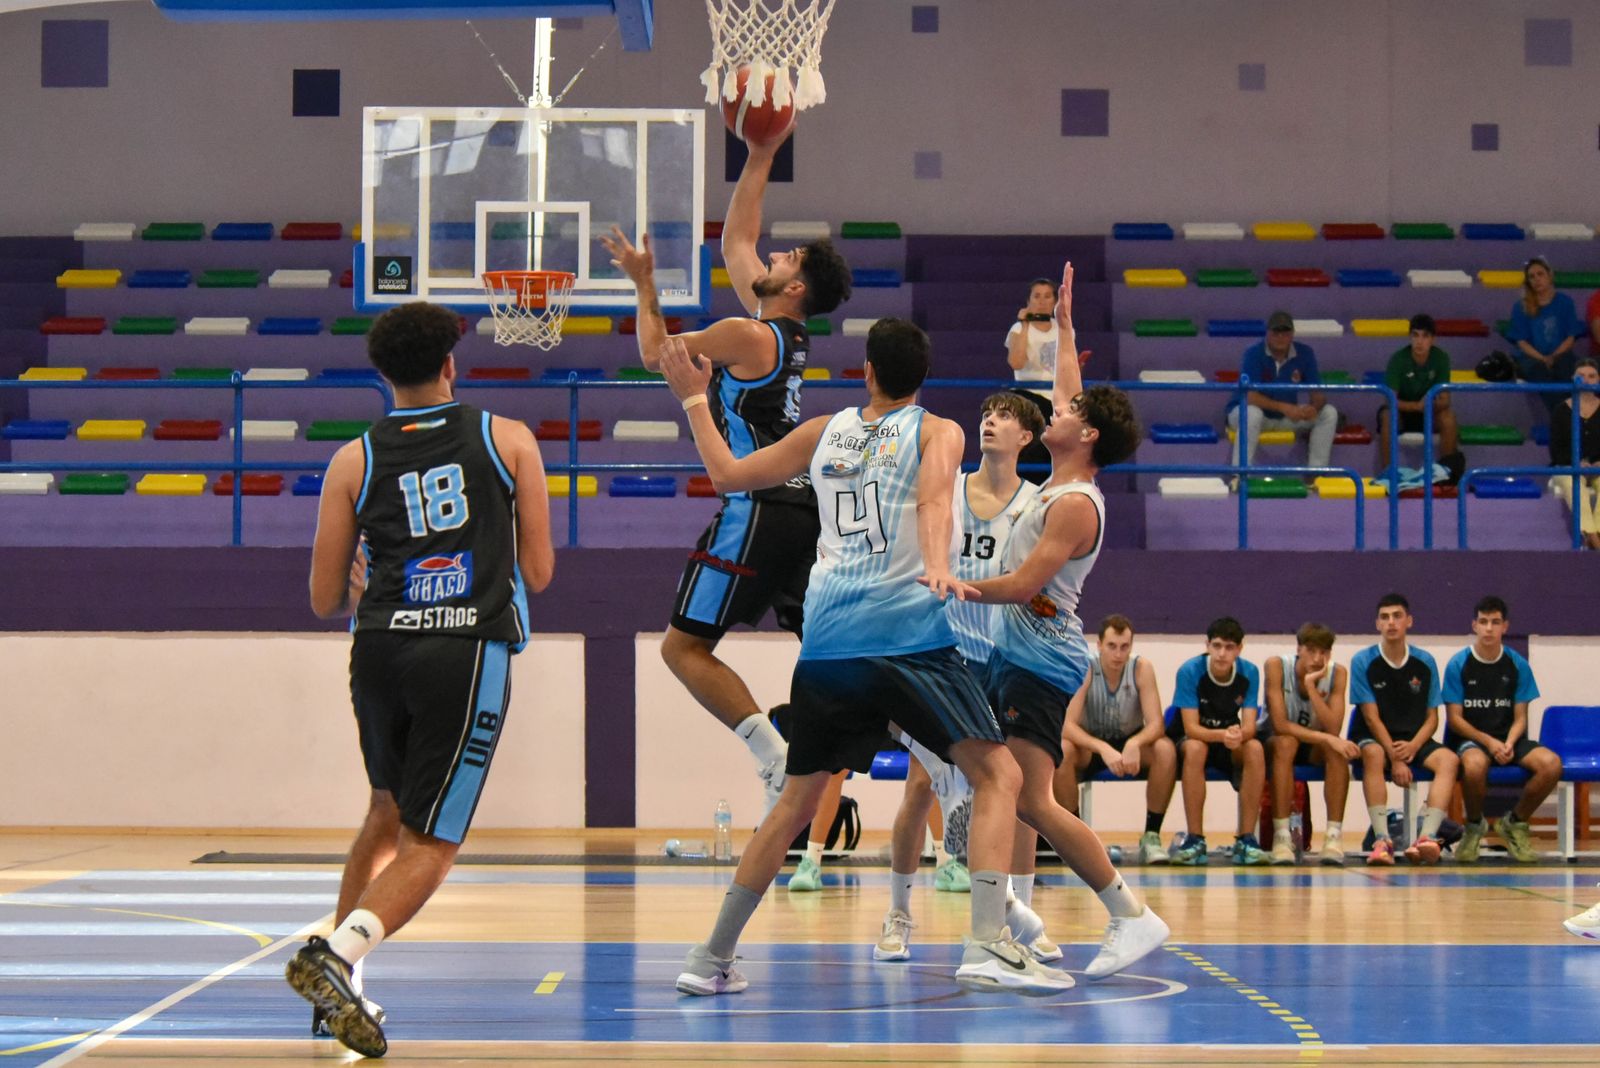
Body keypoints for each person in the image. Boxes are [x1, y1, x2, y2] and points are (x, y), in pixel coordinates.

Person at [660, 317, 1074, 997]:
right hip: (907, 638)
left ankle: (710, 958)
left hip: (827, 642)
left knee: (795, 802)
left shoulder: (824, 431)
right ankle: (987, 944)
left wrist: (692, 399)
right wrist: (936, 564)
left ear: (867, 372)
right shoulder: (939, 431)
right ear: (924, 376)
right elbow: (936, 500)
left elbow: (728, 476)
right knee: (999, 774)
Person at [285, 302, 555, 1057]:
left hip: (377, 648)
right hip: (463, 651)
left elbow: (323, 597)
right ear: (450, 365)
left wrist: (373, 575)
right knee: (432, 844)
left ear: (382, 375)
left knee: (384, 813)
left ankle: (338, 998)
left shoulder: (353, 460)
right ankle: (335, 959)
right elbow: (538, 571)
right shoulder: (508, 439)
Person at [600, 126, 852, 814]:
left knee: (683, 650)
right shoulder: (781, 331)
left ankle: (774, 758)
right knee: (832, 652)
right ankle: (926, 753)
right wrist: (762, 152)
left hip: (758, 507)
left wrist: (644, 285)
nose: (771, 253)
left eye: (788, 256)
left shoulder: (746, 335)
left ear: (793, 285)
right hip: (804, 512)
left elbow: (656, 352)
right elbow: (736, 240)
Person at [960, 260, 1170, 976]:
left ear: (1088, 438)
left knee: (1035, 801)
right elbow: (1068, 388)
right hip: (1015, 656)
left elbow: (1022, 586)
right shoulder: (1062, 477)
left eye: (1070, 415)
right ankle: (1013, 915)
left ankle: (1128, 914)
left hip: (1040, 660)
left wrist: (952, 585)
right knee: (1005, 790)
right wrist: (1066, 326)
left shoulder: (1075, 506)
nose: (1056, 412)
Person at [876, 391, 1048, 963]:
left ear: (1027, 437)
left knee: (1017, 792)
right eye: (986, 415)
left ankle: (1022, 917)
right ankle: (898, 914)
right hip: (940, 657)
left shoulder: (1036, 504)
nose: (990, 422)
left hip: (1003, 662)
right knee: (920, 784)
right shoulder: (946, 489)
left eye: (1004, 417)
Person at [1443, 596, 1562, 863]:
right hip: (1472, 739)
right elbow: (1455, 719)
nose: (1489, 628)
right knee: (1474, 765)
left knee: (1551, 764)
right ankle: (1475, 825)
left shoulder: (1517, 664)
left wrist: (1508, 742)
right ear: (1474, 625)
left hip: (1509, 738)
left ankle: (1515, 822)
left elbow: (1521, 717)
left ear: (1505, 626)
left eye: (1495, 622)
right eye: (1483, 622)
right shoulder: (1458, 664)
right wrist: (1489, 742)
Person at [1055, 614, 1177, 865]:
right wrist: (1102, 748)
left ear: (1131, 647)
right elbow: (1067, 726)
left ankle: (1151, 836)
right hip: (1091, 745)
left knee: (1165, 749)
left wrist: (1134, 743)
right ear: (1099, 645)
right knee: (1063, 750)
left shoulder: (1141, 668)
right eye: (1112, 646)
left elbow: (1157, 724)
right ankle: (1076, 839)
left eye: (1124, 647)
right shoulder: (1086, 667)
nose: (1118, 654)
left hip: (1130, 743)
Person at [1350, 593, 1458, 866]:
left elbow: (1432, 718)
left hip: (1413, 739)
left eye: (1397, 616)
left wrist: (1413, 746)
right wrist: (1396, 757)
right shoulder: (1363, 661)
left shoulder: (1425, 661)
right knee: (1373, 754)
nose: (1391, 622)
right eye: (1385, 617)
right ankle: (1382, 840)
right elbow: (1371, 718)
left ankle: (1427, 838)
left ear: (1409, 621)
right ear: (1377, 624)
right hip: (1375, 738)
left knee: (1449, 760)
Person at [1167, 618, 1270, 866]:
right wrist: (1224, 735)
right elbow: (1191, 728)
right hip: (1192, 739)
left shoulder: (1249, 672)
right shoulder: (1190, 671)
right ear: (1207, 645)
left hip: (1227, 740)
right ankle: (1195, 840)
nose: (1222, 653)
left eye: (1229, 647)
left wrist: (1239, 736)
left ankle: (1246, 839)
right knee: (1196, 748)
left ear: (1239, 649)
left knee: (1255, 748)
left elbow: (1250, 726)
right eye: (1217, 646)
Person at [1262, 623, 1357, 866]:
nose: (1317, 658)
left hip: (1314, 745)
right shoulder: (1276, 666)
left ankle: (1333, 837)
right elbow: (1280, 724)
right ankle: (1282, 837)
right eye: (1311, 651)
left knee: (1336, 750)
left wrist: (1312, 688)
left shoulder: (1338, 673)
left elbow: (1333, 727)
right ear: (1299, 649)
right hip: (1277, 742)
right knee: (1287, 743)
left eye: (1323, 652)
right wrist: (1327, 738)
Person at [1226, 310, 1338, 481]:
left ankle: (1316, 474)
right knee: (1252, 413)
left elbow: (1318, 394)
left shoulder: (1305, 353)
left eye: (1285, 333)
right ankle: (1240, 476)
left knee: (1328, 413)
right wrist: (1284, 407)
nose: (1280, 337)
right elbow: (1250, 397)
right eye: (1275, 333)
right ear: (1267, 334)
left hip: (1285, 417)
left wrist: (1313, 408)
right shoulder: (1253, 354)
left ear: (1292, 334)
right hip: (1246, 415)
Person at [1376, 314, 1459, 473]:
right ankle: (1388, 475)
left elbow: (1445, 400)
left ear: (1433, 339)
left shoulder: (1441, 358)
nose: (1419, 341)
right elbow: (1390, 400)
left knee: (1448, 418)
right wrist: (1417, 406)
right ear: (1410, 337)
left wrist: (1427, 406)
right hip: (1403, 414)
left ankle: (1447, 475)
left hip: (1429, 412)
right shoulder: (1398, 359)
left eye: (1425, 336)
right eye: (1415, 335)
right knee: (1388, 416)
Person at [1004, 277, 1060, 483]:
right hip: (1028, 395)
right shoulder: (1018, 329)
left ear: (1055, 301)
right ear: (1028, 301)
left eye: (1047, 296)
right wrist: (1024, 324)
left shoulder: (1064, 329)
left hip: (1057, 398)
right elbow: (1016, 362)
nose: (1042, 301)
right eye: (1037, 296)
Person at [1506, 257, 1584, 404]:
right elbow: (1522, 342)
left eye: (1540, 274)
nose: (1536, 279)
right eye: (1532, 277)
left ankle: (1570, 412)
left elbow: (1571, 337)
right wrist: (1543, 359)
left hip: (1561, 354)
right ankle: (1563, 415)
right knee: (1539, 370)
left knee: (1568, 366)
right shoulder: (1520, 307)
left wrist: (1553, 356)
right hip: (1532, 358)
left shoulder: (1565, 302)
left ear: (1550, 275)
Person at [1548, 356, 1600, 550]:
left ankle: (1597, 533)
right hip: (1568, 466)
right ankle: (1592, 537)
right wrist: (1576, 463)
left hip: (1598, 467)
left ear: (1598, 379)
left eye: (1591, 376)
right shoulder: (1561, 411)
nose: (1586, 380)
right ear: (1573, 378)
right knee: (1574, 484)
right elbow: (1556, 449)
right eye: (1581, 375)